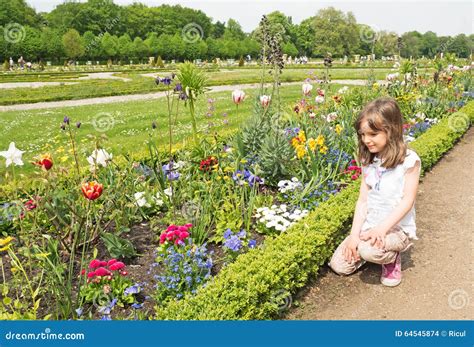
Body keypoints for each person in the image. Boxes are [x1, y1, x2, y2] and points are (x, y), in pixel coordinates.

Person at [329, 97, 421, 287]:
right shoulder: (369, 161)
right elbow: (363, 200)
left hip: (396, 229)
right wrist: (354, 236)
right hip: (370, 226)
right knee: (339, 265)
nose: (366, 140)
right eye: (363, 134)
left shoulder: (409, 161)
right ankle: (365, 249)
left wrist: (382, 228)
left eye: (372, 134)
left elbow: (407, 201)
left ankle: (390, 259)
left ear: (391, 130)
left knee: (369, 250)